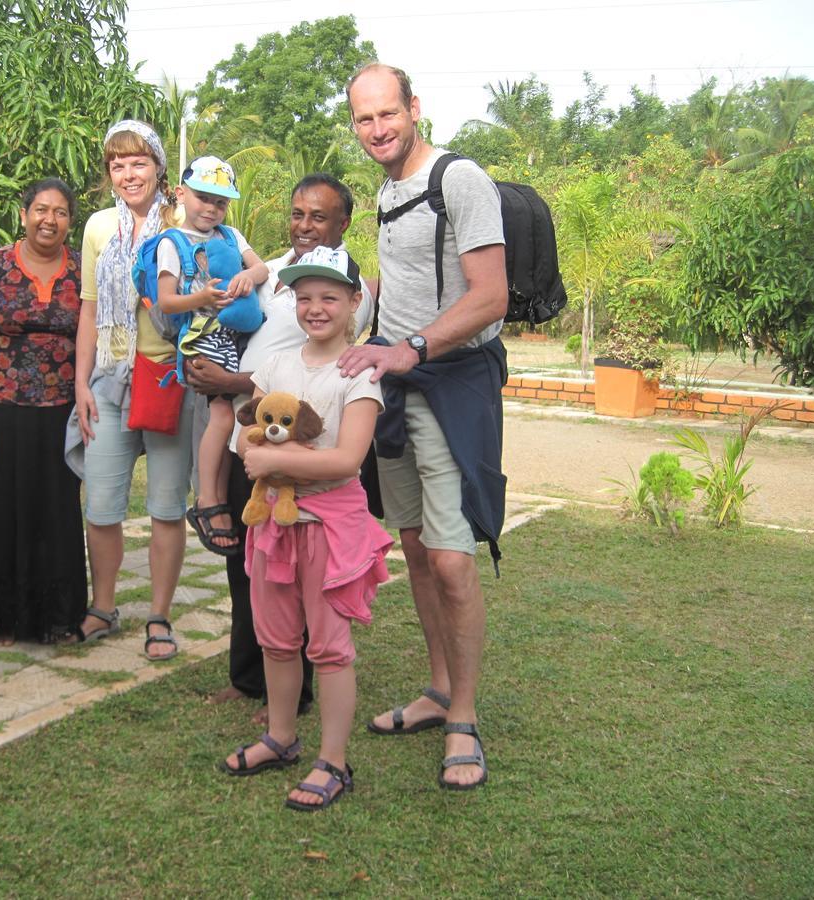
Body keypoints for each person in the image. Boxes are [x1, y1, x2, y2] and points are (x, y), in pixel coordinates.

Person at [340, 63, 509, 790]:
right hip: (398, 385)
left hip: (449, 381)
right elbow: (405, 283)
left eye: (387, 114)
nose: (377, 129)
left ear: (414, 107)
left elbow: (491, 296)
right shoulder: (388, 188)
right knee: (413, 546)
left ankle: (465, 717)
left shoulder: (458, 179)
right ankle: (439, 689)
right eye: (363, 120)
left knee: (450, 557)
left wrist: (408, 348)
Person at [188, 175, 374, 722]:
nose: (305, 225)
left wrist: (231, 380)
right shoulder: (271, 271)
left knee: (300, 575)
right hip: (253, 427)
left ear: (343, 224)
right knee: (252, 564)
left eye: (319, 217)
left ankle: (295, 692)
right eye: (298, 214)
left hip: (299, 449)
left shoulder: (346, 284)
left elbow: (321, 357)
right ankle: (250, 678)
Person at [221, 247, 391, 811]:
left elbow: (347, 460)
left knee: (329, 647)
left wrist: (274, 461)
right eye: (304, 297)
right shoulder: (275, 367)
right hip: (274, 520)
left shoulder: (359, 372)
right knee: (275, 638)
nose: (316, 308)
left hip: (327, 523)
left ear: (353, 304)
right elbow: (245, 432)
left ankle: (333, 762)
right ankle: (282, 737)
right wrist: (261, 455)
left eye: (329, 297)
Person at [67, 120, 193, 661]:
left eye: (138, 162)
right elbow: (90, 308)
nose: (127, 173)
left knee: (166, 506)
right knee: (101, 504)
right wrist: (81, 383)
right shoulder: (98, 228)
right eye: (117, 165)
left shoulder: (185, 218)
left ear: (158, 166)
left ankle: (159, 617)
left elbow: (228, 270)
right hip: (111, 381)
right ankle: (104, 606)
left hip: (168, 378)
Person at [0, 177, 88, 645]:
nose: (48, 219)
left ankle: (57, 617)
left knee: (56, 514)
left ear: (70, 222)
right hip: (3, 412)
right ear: (24, 214)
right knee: (3, 513)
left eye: (59, 212)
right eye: (40, 209)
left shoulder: (81, 269)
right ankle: (5, 619)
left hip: (62, 413)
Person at [154, 156, 268, 557]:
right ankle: (207, 501)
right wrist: (201, 297)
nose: (211, 209)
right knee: (221, 416)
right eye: (203, 198)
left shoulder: (231, 236)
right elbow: (166, 302)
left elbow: (262, 270)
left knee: (231, 414)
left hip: (234, 336)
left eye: (220, 202)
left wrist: (245, 277)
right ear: (182, 194)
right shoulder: (173, 242)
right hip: (203, 339)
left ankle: (219, 496)